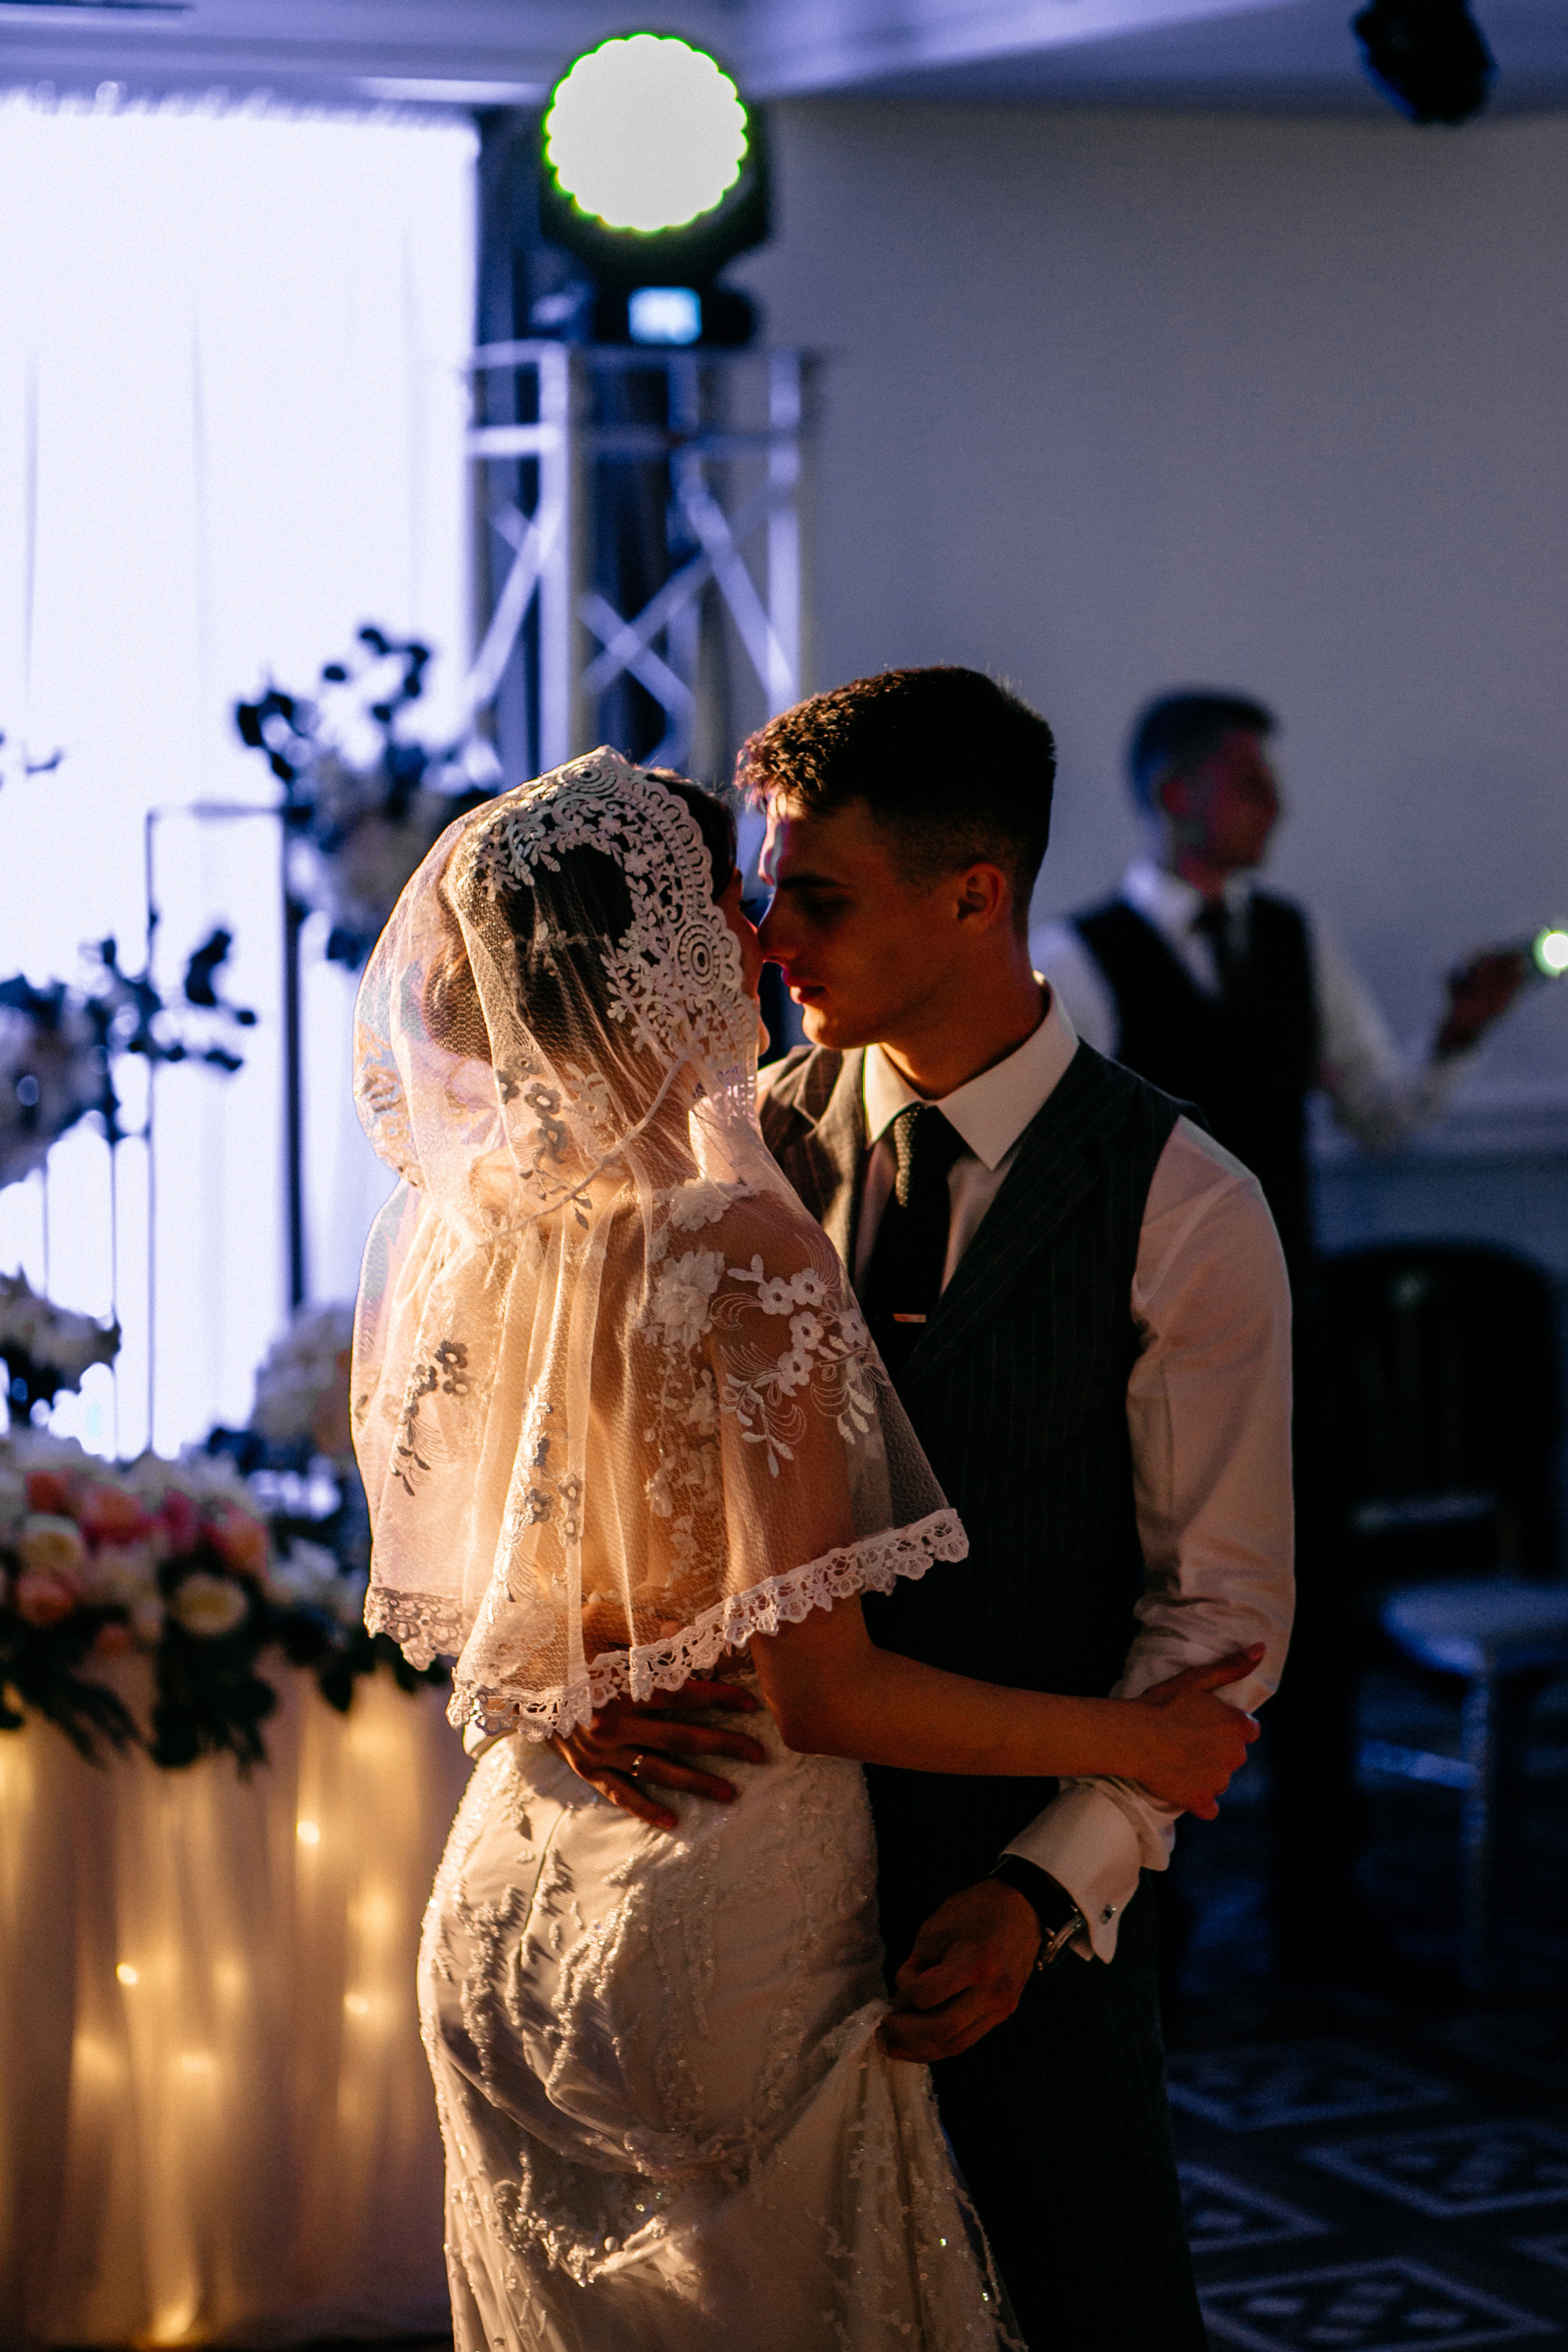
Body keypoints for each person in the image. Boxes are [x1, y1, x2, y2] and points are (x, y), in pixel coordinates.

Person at [351, 747, 1260, 2352]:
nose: (766, 938)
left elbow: (475, 1565)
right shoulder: (733, 1201)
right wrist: (1150, 1745)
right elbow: (801, 1675)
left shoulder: (489, 1206)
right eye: (740, 903)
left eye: (804, 899)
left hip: (511, 1893)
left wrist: (1057, 1876)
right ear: (659, 947)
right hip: (722, 1901)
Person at [1031, 687, 1526, 1978]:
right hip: (1140, 1355)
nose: (1278, 808)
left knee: (1307, 1613)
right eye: (1252, 783)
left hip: (1289, 1339)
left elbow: (1376, 1116)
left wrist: (1460, 1040)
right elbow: (1051, 1161)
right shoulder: (1078, 959)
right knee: (1147, 1621)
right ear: (1179, 792)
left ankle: (1325, 1901)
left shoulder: (1298, 941)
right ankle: (1145, 1917)